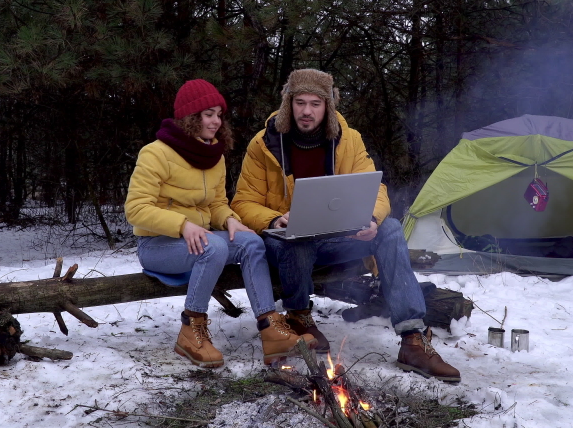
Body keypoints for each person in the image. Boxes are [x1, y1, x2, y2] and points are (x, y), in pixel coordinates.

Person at [231, 69, 461, 382]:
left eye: (315, 103)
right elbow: (242, 203)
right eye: (300, 102)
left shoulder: (347, 139)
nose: (307, 111)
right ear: (289, 103)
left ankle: (412, 340)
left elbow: (376, 190)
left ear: (328, 106)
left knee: (390, 229)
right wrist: (274, 218)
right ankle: (299, 317)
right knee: (294, 239)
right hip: (284, 242)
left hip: (335, 238)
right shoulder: (265, 144)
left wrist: (371, 219)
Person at [125, 79, 316, 368]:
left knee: (252, 242)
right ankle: (192, 330)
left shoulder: (214, 155)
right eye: (208, 114)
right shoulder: (156, 153)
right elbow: (136, 209)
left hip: (201, 239)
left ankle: (271, 329)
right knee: (212, 246)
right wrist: (182, 225)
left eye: (218, 114)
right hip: (158, 245)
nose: (216, 121)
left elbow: (215, 203)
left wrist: (229, 220)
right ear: (190, 118)